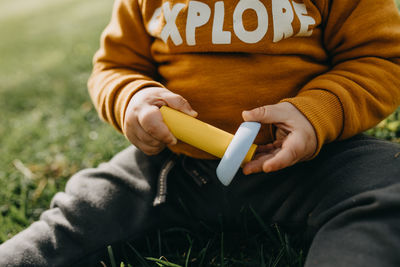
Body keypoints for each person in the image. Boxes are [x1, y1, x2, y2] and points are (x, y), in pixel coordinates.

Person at [1, 0, 400, 266]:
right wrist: (133, 99)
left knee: (388, 186)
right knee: (84, 207)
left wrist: (316, 114)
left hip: (314, 162)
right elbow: (114, 67)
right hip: (172, 168)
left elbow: (379, 57)